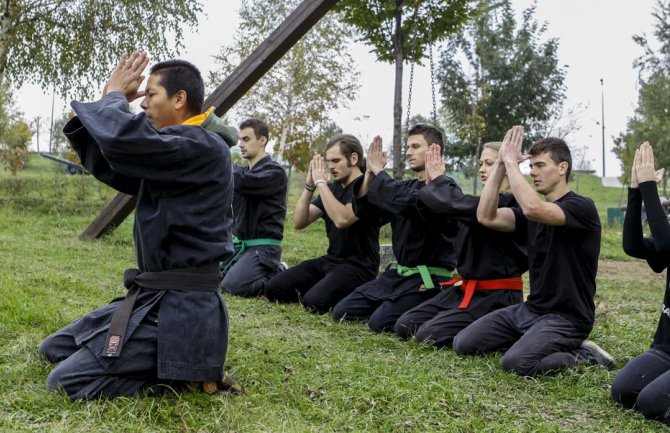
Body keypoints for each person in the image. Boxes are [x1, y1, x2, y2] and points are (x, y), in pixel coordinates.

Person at [39, 52, 241, 399]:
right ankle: (170, 363)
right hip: (152, 296)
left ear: (180, 99)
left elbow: (123, 141)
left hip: (184, 310)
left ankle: (182, 371)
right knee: (53, 348)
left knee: (64, 382)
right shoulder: (173, 150)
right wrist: (106, 108)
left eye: (151, 95)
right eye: (142, 96)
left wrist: (114, 97)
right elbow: (114, 161)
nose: (143, 103)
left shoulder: (204, 146)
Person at [453, 125, 613, 376]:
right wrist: (501, 167)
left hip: (567, 318)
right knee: (464, 343)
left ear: (563, 168)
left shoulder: (581, 208)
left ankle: (584, 355)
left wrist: (511, 163)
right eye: (532, 166)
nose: (533, 172)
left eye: (541, 165)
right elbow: (485, 216)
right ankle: (534, 341)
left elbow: (534, 208)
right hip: (531, 309)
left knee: (515, 363)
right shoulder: (530, 215)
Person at [394, 142, 527, 346]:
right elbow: (449, 217)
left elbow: (456, 204)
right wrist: (431, 186)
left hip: (497, 298)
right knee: (405, 325)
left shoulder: (513, 206)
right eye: (481, 163)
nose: (482, 169)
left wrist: (440, 180)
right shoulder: (476, 203)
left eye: (489, 163)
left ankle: (505, 330)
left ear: (508, 167)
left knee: (428, 335)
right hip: (466, 290)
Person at [332, 125, 458, 332]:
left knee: (379, 322)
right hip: (400, 276)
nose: (408, 152)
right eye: (407, 146)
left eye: (415, 146)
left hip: (429, 280)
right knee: (344, 311)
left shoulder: (445, 190)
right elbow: (370, 207)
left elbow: (405, 202)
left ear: (434, 150)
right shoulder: (406, 187)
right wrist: (370, 174)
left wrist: (380, 172)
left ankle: (436, 306)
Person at [264, 134, 385, 313]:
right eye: (328, 161)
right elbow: (299, 222)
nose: (331, 166)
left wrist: (321, 183)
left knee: (314, 302)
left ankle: (354, 293)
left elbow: (342, 219)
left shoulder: (367, 187)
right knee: (273, 288)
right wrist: (309, 186)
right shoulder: (334, 188)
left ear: (353, 158)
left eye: (336, 161)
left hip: (359, 267)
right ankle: (325, 288)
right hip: (331, 260)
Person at [611, 142, 670, 422]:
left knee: (650, 402)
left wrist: (649, 187)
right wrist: (636, 191)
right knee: (623, 391)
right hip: (666, 348)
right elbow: (633, 246)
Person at [220, 118, 288, 297]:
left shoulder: (275, 173)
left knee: (232, 286)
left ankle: (278, 273)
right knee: (212, 277)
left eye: (246, 139)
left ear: (262, 140)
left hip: (263, 248)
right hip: (241, 245)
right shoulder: (242, 173)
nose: (241, 144)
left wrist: (219, 159)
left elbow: (246, 182)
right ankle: (244, 269)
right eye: (240, 139)